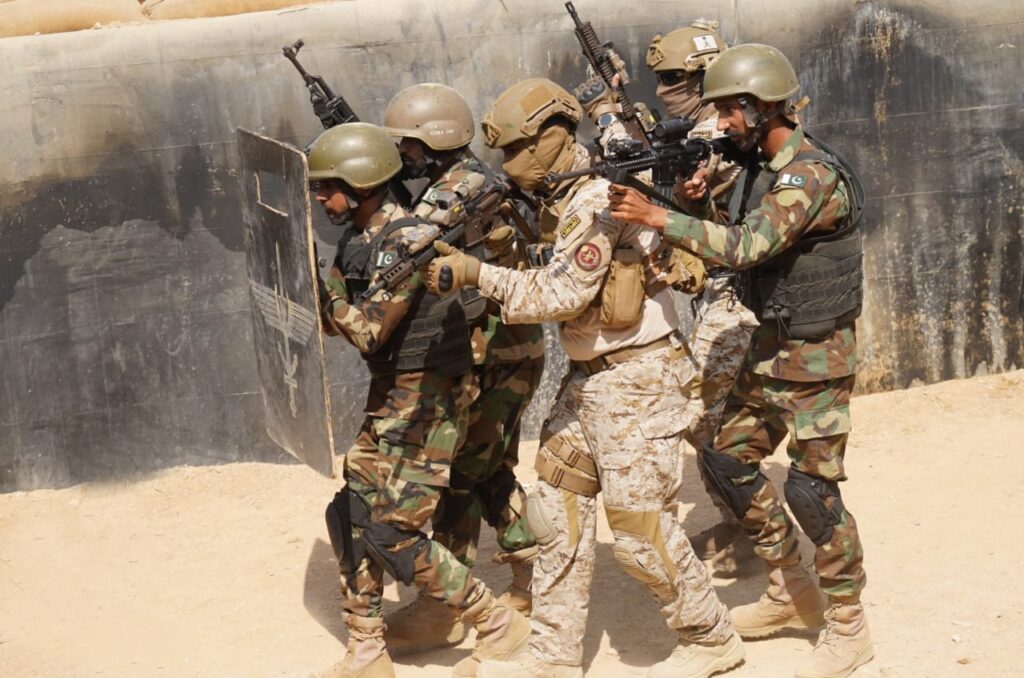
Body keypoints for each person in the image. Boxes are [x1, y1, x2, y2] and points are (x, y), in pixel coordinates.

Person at [424, 77, 743, 678]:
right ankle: (553, 654)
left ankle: (710, 637)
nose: (508, 163)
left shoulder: (599, 198)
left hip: (639, 383)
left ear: (548, 139)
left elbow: (563, 293)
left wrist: (476, 273)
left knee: (640, 532)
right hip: (589, 381)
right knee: (555, 516)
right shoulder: (563, 197)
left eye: (515, 149)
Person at [607, 43, 872, 678]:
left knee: (812, 490)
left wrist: (660, 216)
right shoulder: (759, 170)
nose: (721, 122)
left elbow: (748, 247)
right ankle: (791, 588)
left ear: (762, 107)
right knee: (726, 459)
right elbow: (726, 234)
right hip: (771, 346)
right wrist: (695, 200)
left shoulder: (808, 176)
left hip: (818, 357)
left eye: (729, 110)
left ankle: (848, 624)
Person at [308, 122, 529, 678]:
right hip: (391, 397)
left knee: (394, 533)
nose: (319, 197)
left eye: (327, 186)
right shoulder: (357, 241)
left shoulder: (407, 241)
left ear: (361, 183)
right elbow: (339, 321)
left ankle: (495, 622)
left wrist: (321, 291)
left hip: (428, 405)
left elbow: (365, 331)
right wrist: (321, 293)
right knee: (350, 512)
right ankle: (367, 648)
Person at [378, 83, 546, 655]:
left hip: (497, 352)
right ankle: (531, 575)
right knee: (487, 468)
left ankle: (443, 608)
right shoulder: (460, 180)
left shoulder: (459, 188)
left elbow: (407, 246)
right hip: (503, 348)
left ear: (434, 141)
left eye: (407, 144)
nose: (402, 154)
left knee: (458, 476)